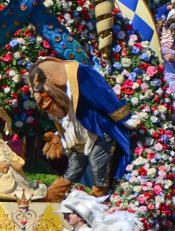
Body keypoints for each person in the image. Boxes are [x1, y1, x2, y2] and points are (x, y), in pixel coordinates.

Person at [28, 58, 138, 199]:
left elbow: (103, 95)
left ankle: (99, 194)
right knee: (74, 165)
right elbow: (67, 119)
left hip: (99, 130)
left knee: (96, 159)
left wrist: (123, 116)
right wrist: (58, 137)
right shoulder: (59, 98)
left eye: (44, 100)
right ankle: (54, 192)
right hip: (81, 139)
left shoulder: (82, 75)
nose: (44, 105)